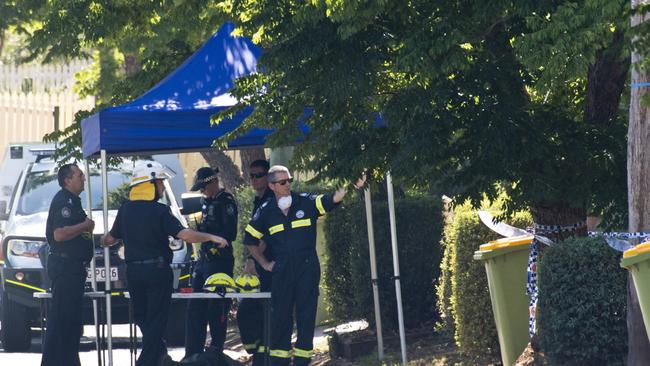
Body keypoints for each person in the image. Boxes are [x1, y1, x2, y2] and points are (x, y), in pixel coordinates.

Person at [101, 161, 228, 366]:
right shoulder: (160, 211)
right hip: (157, 272)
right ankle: (148, 360)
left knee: (143, 318)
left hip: (133, 272)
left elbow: (110, 239)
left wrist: (100, 240)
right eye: (159, 183)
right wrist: (211, 237)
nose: (162, 187)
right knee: (156, 320)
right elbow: (185, 235)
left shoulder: (125, 210)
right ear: (148, 184)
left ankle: (158, 357)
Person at [243, 165, 364, 366]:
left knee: (306, 317)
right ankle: (279, 362)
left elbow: (331, 199)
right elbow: (250, 240)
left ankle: (302, 361)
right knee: (281, 319)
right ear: (272, 185)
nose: (288, 184)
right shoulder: (266, 212)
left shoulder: (305, 203)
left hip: (307, 269)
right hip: (281, 271)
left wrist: (352, 185)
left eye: (289, 180)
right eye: (283, 182)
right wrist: (264, 264)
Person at [41, 163, 95, 366]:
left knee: (72, 323)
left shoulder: (74, 201)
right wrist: (85, 225)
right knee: (61, 320)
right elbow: (59, 234)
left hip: (74, 269)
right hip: (65, 268)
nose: (83, 178)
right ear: (67, 180)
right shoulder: (64, 200)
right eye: (79, 175)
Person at [183, 167, 238, 360]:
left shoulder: (226, 201)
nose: (201, 192)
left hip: (220, 261)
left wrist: (213, 238)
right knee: (195, 307)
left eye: (203, 187)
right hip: (203, 261)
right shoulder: (204, 202)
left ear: (213, 182)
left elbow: (231, 234)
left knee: (217, 309)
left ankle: (215, 354)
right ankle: (192, 354)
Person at [236, 159, 274, 364]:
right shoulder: (258, 201)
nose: (254, 179)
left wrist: (253, 259)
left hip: (271, 264)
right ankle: (260, 355)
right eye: (251, 175)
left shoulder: (270, 199)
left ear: (267, 177)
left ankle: (266, 356)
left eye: (258, 175)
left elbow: (266, 237)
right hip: (262, 265)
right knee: (252, 312)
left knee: (267, 312)